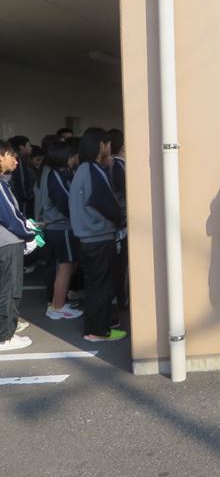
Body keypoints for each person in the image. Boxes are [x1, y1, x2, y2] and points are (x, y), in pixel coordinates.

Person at [69, 128, 126, 342]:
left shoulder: (85, 169)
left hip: (91, 237)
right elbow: (106, 203)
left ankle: (99, 326)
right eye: (108, 145)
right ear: (101, 145)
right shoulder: (92, 170)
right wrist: (121, 219)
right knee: (101, 286)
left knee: (96, 284)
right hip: (98, 237)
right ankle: (97, 331)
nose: (110, 149)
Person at [36, 141, 83, 320]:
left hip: (59, 226)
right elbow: (65, 202)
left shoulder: (59, 174)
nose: (75, 159)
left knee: (67, 265)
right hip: (61, 226)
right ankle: (57, 307)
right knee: (65, 266)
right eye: (72, 156)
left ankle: (59, 302)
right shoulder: (55, 175)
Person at [0, 139, 38, 351]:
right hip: (7, 243)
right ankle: (5, 336)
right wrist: (28, 234)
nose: (14, 160)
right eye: (10, 155)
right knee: (10, 289)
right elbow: (9, 216)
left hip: (5, 242)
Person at [108, 128, 128, 311]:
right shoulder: (119, 165)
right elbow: (126, 192)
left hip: (115, 219)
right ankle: (122, 299)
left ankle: (118, 296)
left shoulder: (109, 164)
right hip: (122, 218)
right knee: (122, 265)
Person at [9, 136, 35, 219]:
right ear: (21, 147)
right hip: (22, 202)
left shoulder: (23, 160)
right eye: (29, 145)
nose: (31, 148)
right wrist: (26, 197)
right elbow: (21, 183)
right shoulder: (18, 162)